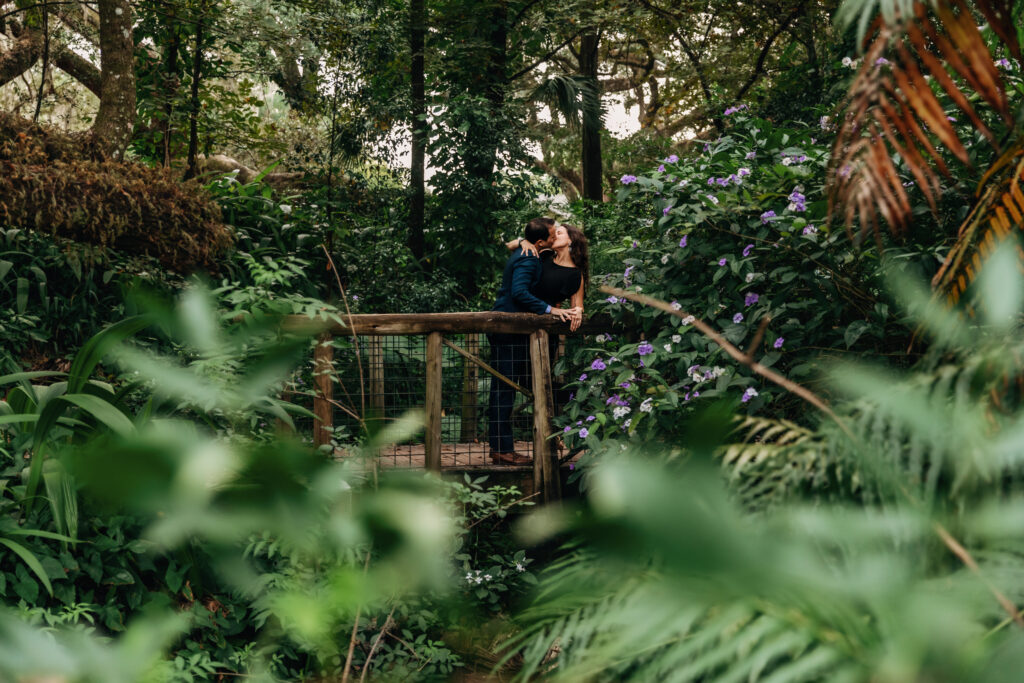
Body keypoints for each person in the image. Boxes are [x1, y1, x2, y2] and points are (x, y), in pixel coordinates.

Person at [488, 218, 578, 465]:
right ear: (541, 241)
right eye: (551, 235)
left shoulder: (534, 250)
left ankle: (550, 436)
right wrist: (550, 309)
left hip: (522, 334)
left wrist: (522, 240)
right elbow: (519, 292)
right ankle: (501, 449)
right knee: (503, 392)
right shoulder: (529, 257)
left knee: (531, 386)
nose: (553, 238)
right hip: (509, 332)